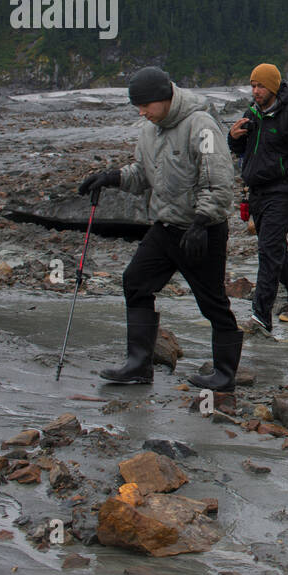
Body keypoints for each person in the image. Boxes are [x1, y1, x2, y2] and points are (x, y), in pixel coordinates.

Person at [78, 66, 241, 391]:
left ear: (165, 97)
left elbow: (219, 181)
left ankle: (224, 375)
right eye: (136, 106)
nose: (141, 112)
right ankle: (138, 365)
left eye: (145, 105)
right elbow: (142, 173)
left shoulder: (201, 125)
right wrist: (111, 177)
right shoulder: (149, 130)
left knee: (212, 302)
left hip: (202, 231)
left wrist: (201, 222)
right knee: (135, 282)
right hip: (165, 228)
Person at [227, 63, 288, 336]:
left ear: (273, 87)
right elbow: (242, 150)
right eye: (253, 85)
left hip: (283, 193)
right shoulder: (251, 114)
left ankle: (260, 317)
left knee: (268, 251)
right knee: (274, 248)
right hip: (256, 193)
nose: (256, 91)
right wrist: (233, 138)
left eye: (261, 86)